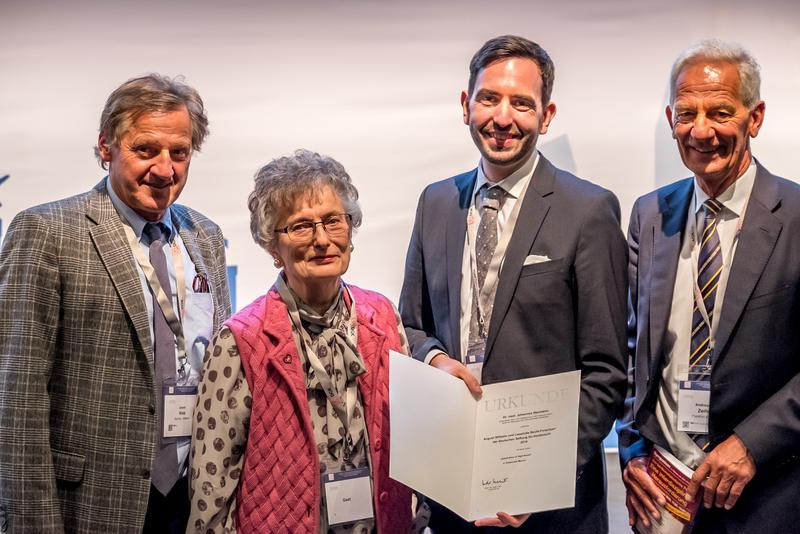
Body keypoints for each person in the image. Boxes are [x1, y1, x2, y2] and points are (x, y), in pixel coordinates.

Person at [399, 35, 627, 533]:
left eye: (522, 103)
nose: (503, 118)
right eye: (489, 98)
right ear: (466, 106)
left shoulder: (588, 211)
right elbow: (411, 327)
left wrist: (536, 477)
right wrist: (435, 359)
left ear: (546, 116)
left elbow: (607, 373)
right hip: (450, 499)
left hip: (548, 511)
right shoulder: (435, 203)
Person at [0, 74, 231, 533]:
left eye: (179, 152)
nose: (165, 169)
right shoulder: (46, 232)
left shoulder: (205, 236)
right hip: (88, 507)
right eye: (146, 149)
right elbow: (17, 398)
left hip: (191, 502)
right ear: (106, 146)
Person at [618, 39, 800, 533]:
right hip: (662, 494)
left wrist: (752, 444)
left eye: (719, 112)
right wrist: (632, 452)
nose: (701, 130)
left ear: (754, 117)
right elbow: (633, 349)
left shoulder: (797, 217)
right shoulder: (649, 215)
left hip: (767, 497)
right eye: (685, 113)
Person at [187, 149, 412, 533]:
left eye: (333, 221)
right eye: (301, 226)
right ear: (273, 247)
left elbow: (411, 443)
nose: (322, 240)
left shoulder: (383, 318)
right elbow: (212, 486)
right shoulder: (240, 340)